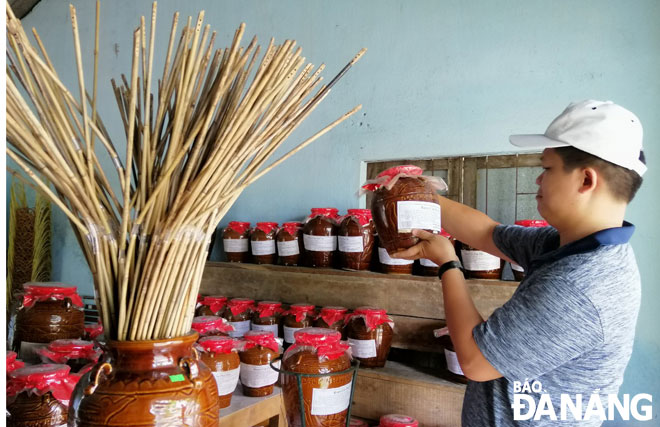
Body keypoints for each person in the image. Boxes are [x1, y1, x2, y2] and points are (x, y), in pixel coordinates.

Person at [392, 100, 646, 426]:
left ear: (586, 180)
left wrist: (448, 264)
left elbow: (475, 361)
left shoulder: (580, 285)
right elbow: (486, 233)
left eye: (547, 168)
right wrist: (415, 193)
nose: (538, 180)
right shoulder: (567, 244)